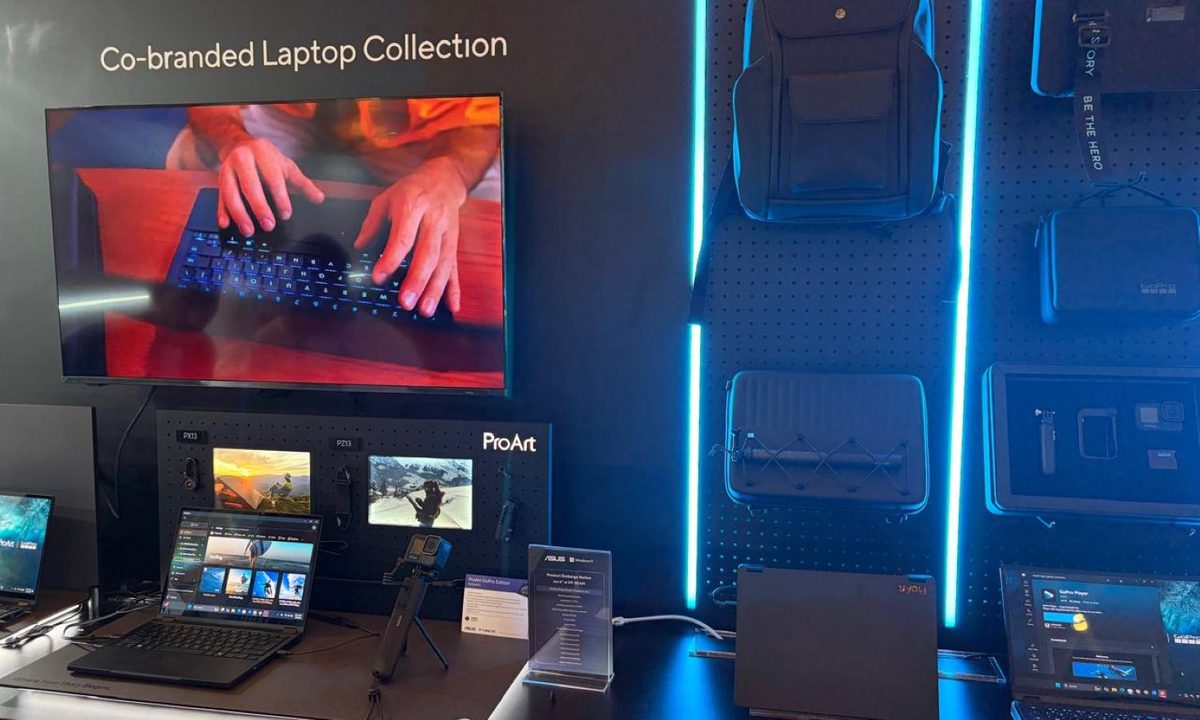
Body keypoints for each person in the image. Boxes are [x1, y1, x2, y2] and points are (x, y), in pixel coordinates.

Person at [176, 97, 501, 318]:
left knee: (487, 216)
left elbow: (485, 108)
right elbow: (210, 78)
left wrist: (451, 172)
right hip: (294, 111)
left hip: (426, 135)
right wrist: (233, 142)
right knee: (191, 153)